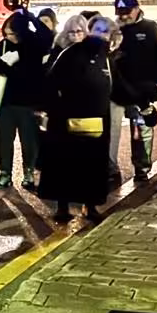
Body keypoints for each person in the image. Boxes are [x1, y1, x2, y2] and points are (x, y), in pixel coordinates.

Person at [38, 14, 111, 224]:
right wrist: (54, 110)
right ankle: (63, 205)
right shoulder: (68, 54)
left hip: (97, 122)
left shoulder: (105, 57)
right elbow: (51, 84)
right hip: (66, 121)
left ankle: (90, 204)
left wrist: (143, 104)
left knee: (93, 166)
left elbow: (118, 84)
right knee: (65, 164)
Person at [110, 0, 157, 184]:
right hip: (116, 89)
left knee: (141, 130)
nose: (124, 16)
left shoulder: (150, 28)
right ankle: (111, 169)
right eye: (120, 13)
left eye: (127, 12)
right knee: (110, 131)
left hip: (141, 90)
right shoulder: (112, 29)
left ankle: (142, 169)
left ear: (137, 8)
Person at [0, 9, 54, 191]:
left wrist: (30, 16)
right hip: (6, 100)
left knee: (29, 140)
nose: (7, 37)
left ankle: (29, 173)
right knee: (4, 139)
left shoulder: (34, 45)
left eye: (10, 33)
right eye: (5, 33)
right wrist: (5, 64)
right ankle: (5, 174)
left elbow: (46, 36)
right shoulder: (3, 45)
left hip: (29, 101)